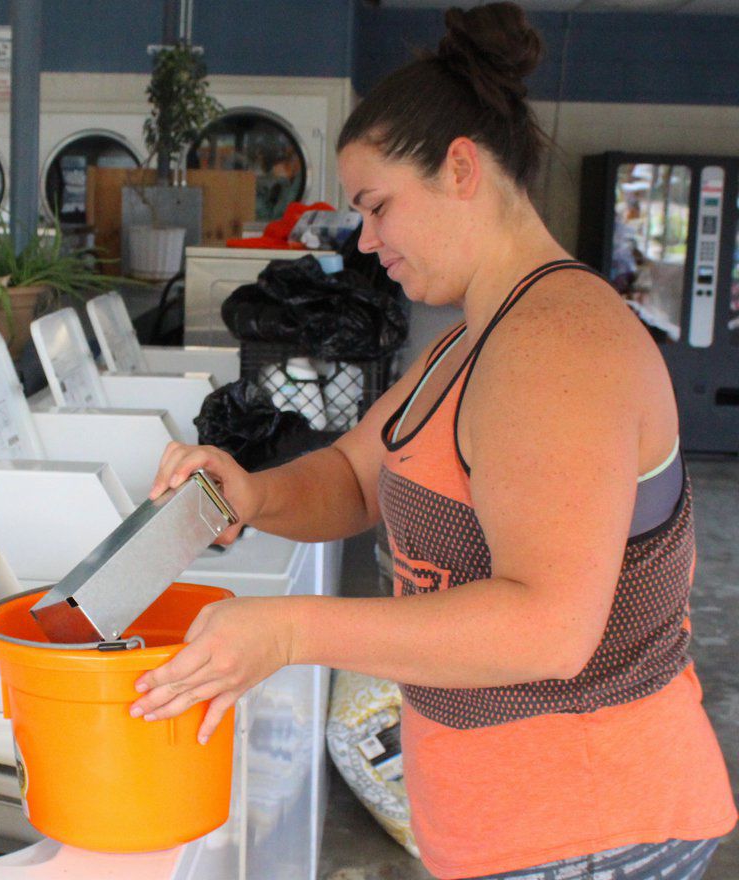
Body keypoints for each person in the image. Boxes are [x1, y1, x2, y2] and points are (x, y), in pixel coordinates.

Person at [128, 4, 737, 878]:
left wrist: (290, 633)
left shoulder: (556, 345)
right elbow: (355, 477)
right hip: (507, 828)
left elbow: (547, 627)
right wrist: (248, 491)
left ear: (460, 169)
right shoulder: (471, 337)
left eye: (377, 208)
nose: (368, 244)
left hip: (590, 831)